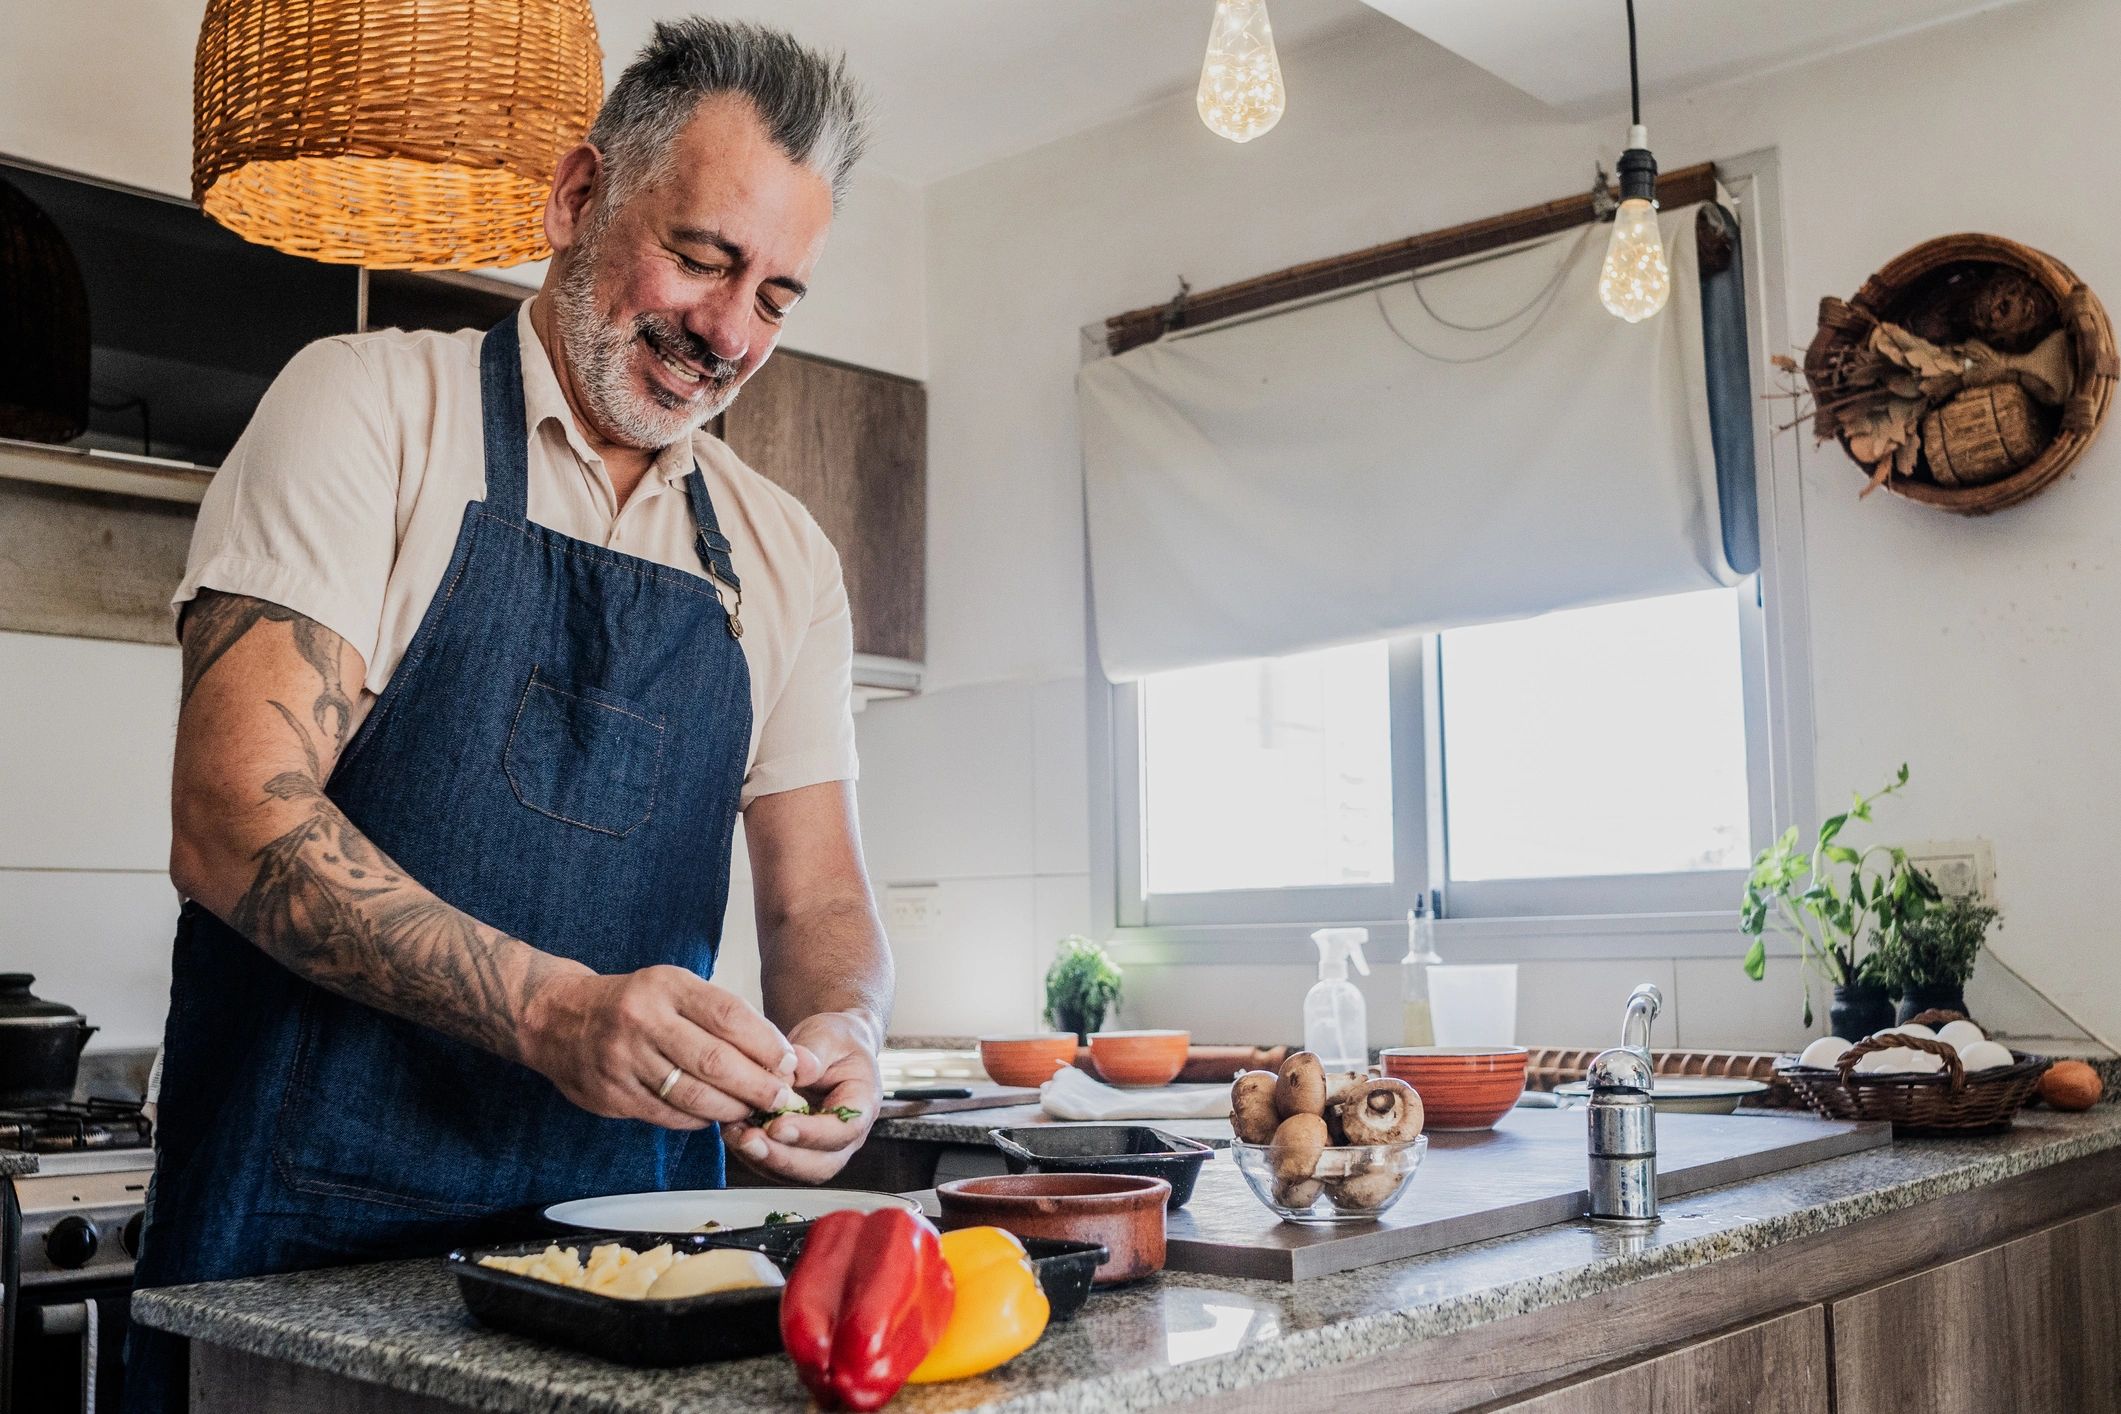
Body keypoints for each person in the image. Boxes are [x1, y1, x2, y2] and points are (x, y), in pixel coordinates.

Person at [125, 20, 890, 1409]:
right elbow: (232, 816)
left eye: (777, 295)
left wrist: (846, 1030)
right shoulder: (366, 409)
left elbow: (818, 905)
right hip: (307, 1264)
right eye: (705, 257)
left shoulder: (782, 558)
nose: (726, 332)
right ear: (578, 196)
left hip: (642, 1277)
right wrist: (554, 1013)